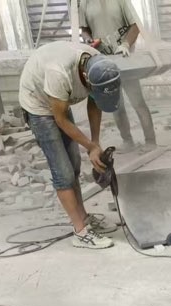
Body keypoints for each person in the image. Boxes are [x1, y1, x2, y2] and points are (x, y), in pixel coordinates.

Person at [18, 40, 122, 250]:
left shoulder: (99, 66)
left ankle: (84, 217)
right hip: (39, 106)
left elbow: (95, 102)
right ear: (85, 76)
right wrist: (90, 147)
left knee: (74, 163)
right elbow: (60, 119)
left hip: (58, 99)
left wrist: (95, 142)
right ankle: (80, 232)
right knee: (63, 172)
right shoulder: (59, 73)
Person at [80, 0, 156, 149]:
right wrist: (88, 39)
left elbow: (135, 26)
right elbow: (84, 29)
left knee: (137, 102)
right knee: (117, 105)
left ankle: (150, 141)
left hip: (125, 59)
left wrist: (125, 44)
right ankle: (127, 141)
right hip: (104, 62)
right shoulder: (85, 3)